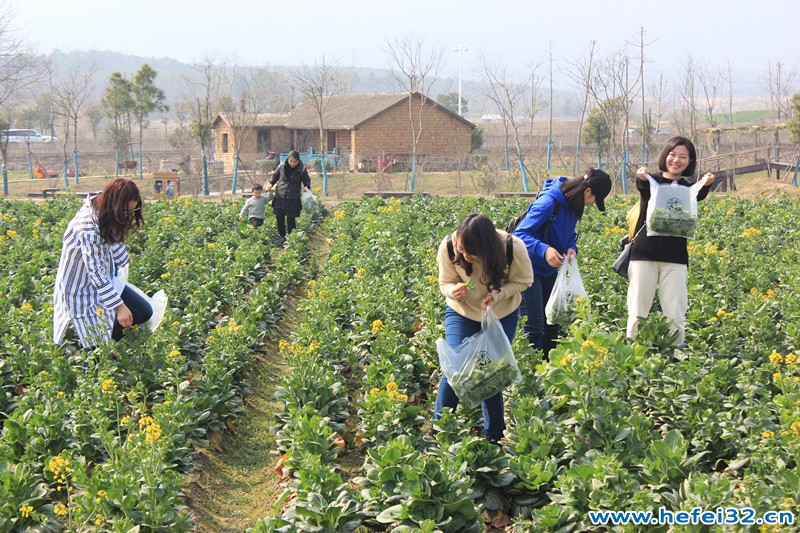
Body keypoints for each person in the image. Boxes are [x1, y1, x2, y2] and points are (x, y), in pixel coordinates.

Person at [435, 213, 533, 443]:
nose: (465, 257)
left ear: (487, 248)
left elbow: (524, 281)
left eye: (473, 254)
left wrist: (498, 295)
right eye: (462, 251)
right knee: (456, 368)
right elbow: (444, 282)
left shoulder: (511, 247)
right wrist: (452, 290)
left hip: (500, 313)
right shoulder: (449, 246)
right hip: (462, 312)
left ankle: (494, 436)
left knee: (491, 371)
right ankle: (440, 429)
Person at [513, 168, 612, 359]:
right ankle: (530, 374)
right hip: (528, 270)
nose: (592, 204)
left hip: (550, 271)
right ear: (587, 191)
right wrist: (544, 249)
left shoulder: (573, 205)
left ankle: (550, 366)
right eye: (594, 200)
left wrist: (571, 246)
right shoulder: (549, 202)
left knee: (553, 322)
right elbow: (519, 235)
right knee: (534, 327)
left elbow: (567, 234)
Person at [628, 136, 714, 346]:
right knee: (638, 309)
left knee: (675, 310)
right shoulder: (652, 181)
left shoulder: (689, 187)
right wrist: (641, 175)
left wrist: (707, 181)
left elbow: (700, 192)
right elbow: (642, 184)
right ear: (665, 156)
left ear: (690, 162)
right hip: (644, 255)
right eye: (672, 154)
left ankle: (675, 354)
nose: (676, 160)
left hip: (675, 259)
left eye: (683, 157)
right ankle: (633, 352)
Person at [53, 178, 153, 349]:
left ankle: (107, 342)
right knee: (95, 356)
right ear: (116, 206)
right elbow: (96, 274)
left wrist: (122, 256)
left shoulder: (104, 208)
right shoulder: (87, 227)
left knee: (142, 311)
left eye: (131, 211)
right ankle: (96, 350)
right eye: (126, 212)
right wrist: (120, 307)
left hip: (103, 280)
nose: (127, 216)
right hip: (80, 290)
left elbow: (111, 232)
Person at [265, 150, 311, 245]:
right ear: (288, 159)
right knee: (279, 218)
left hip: (293, 197)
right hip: (280, 196)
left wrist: (306, 186)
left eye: (294, 162)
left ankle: (291, 238)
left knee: (291, 219)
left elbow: (306, 179)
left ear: (298, 161)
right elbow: (275, 176)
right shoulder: (282, 165)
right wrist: (270, 183)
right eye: (291, 161)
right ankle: (282, 237)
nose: (292, 163)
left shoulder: (301, 169)